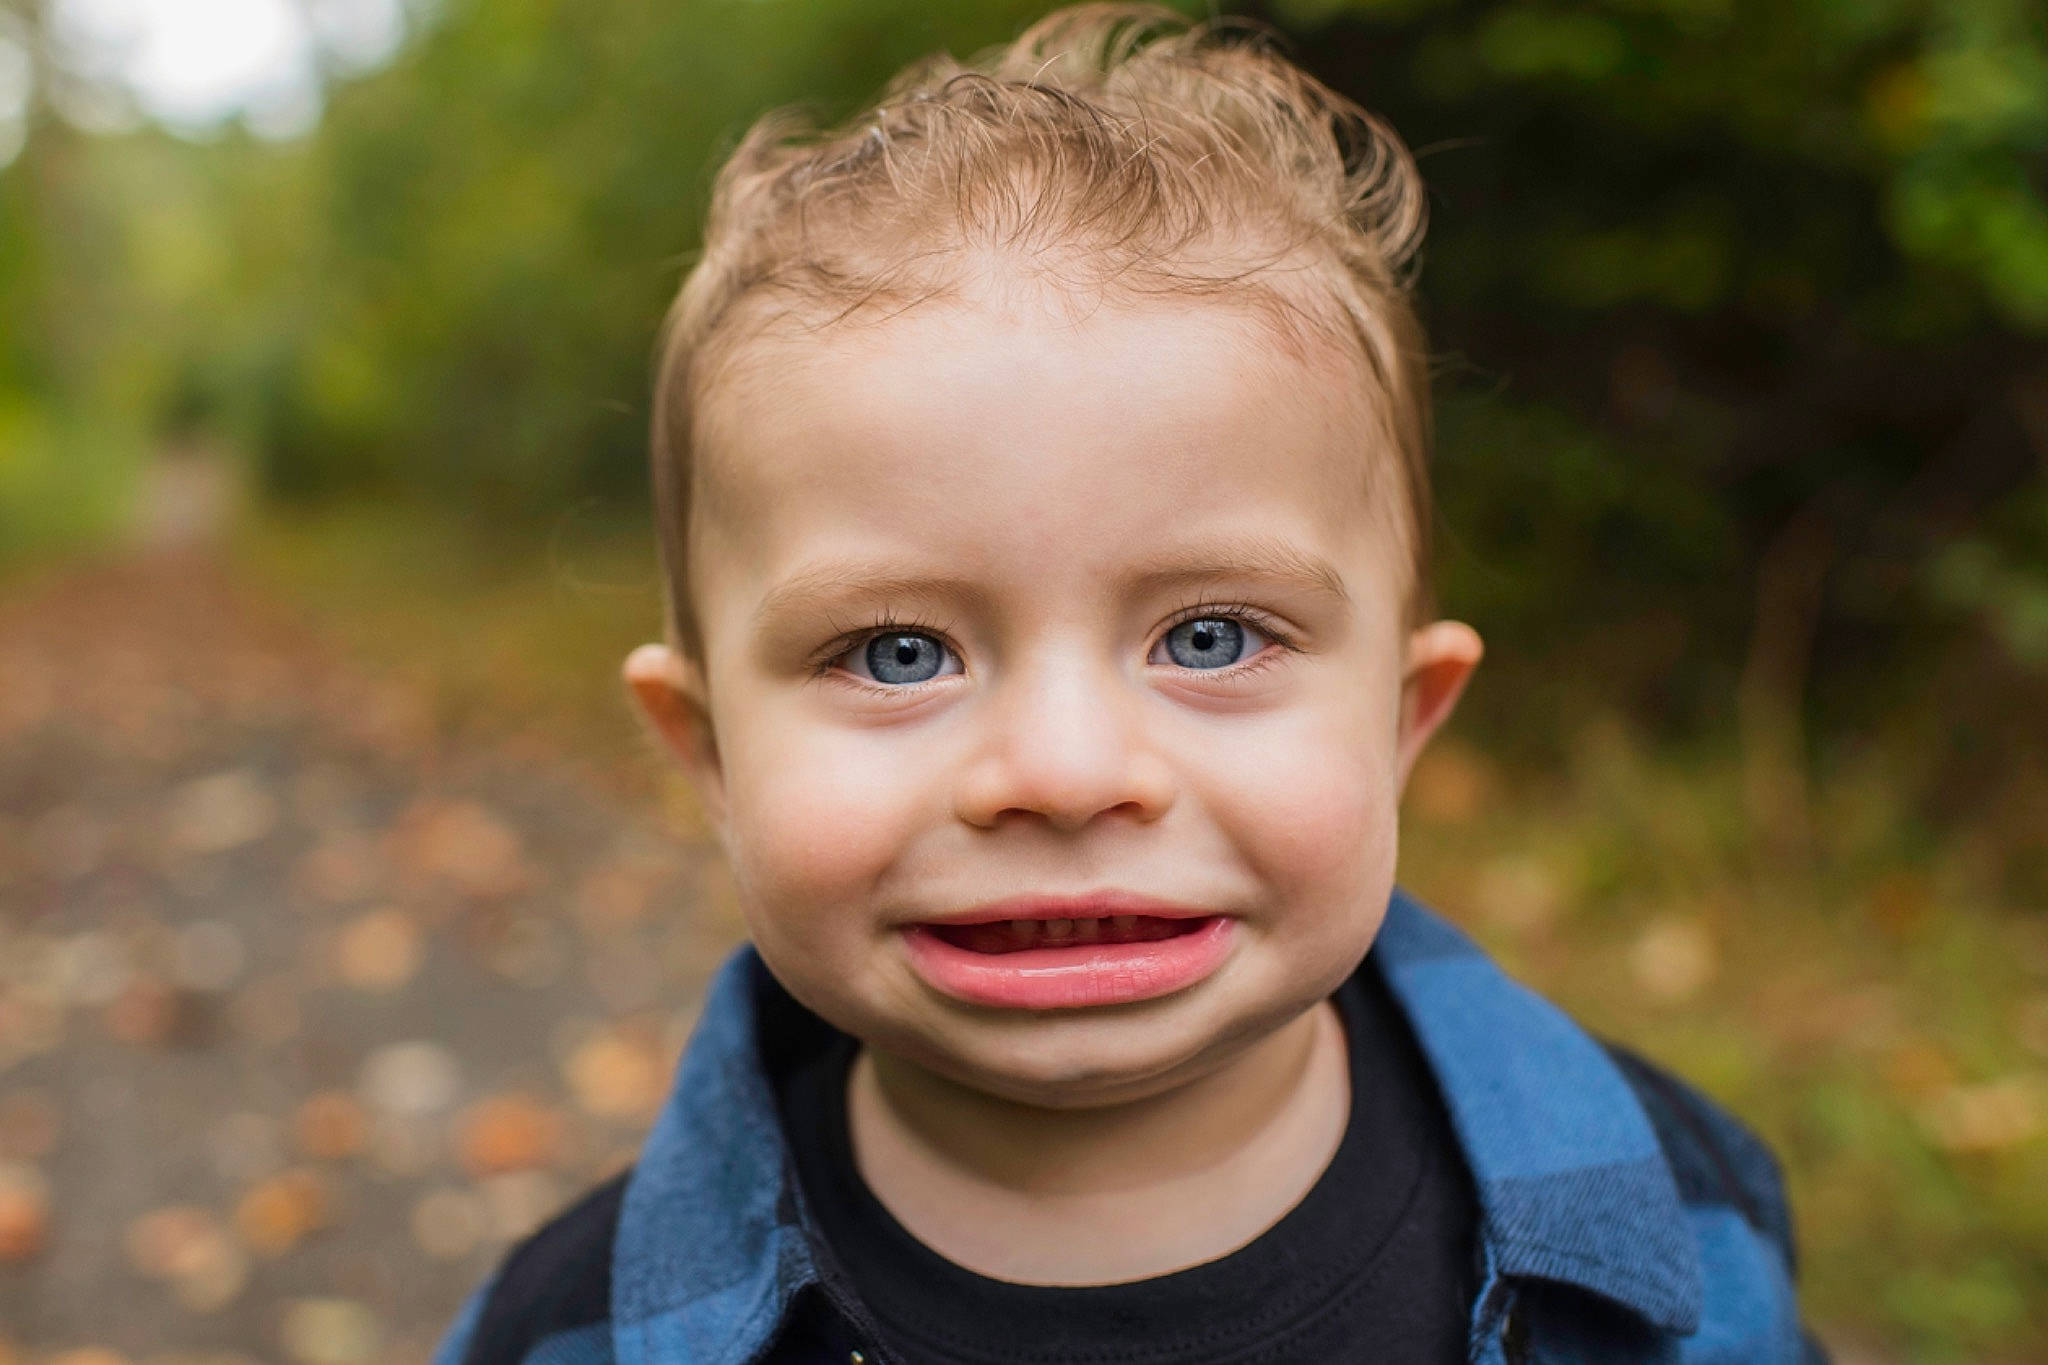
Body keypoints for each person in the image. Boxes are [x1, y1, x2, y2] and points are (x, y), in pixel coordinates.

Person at [434, 6, 1825, 1361]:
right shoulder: (571, 1329)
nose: (1063, 769)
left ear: (1405, 720)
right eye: (898, 652)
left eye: (1212, 637)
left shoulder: (1679, 1231)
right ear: (712, 755)